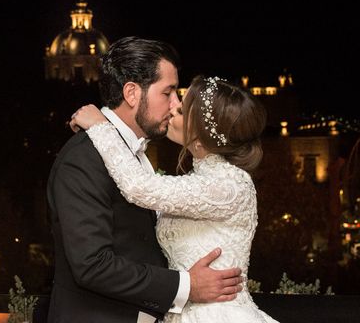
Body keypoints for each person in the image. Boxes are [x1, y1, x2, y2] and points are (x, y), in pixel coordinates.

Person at [46, 37, 244, 323]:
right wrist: (187, 286)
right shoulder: (83, 158)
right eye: (168, 92)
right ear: (132, 94)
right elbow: (92, 265)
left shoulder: (132, 154)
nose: (176, 105)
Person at [70, 74, 279, 323]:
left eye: (180, 110)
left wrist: (101, 127)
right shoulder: (201, 180)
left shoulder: (229, 185)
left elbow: (139, 186)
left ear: (200, 139)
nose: (172, 107)